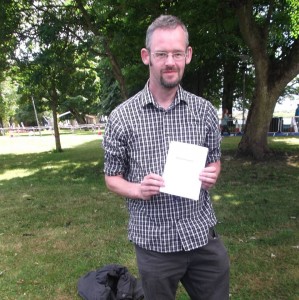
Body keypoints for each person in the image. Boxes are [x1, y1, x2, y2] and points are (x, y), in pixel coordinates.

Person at [103, 15, 229, 300]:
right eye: (161, 54)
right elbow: (111, 178)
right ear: (147, 56)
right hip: (154, 243)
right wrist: (137, 189)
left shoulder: (204, 111)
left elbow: (215, 159)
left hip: (201, 237)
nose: (170, 61)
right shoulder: (122, 117)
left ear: (188, 55)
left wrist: (213, 172)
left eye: (176, 53)